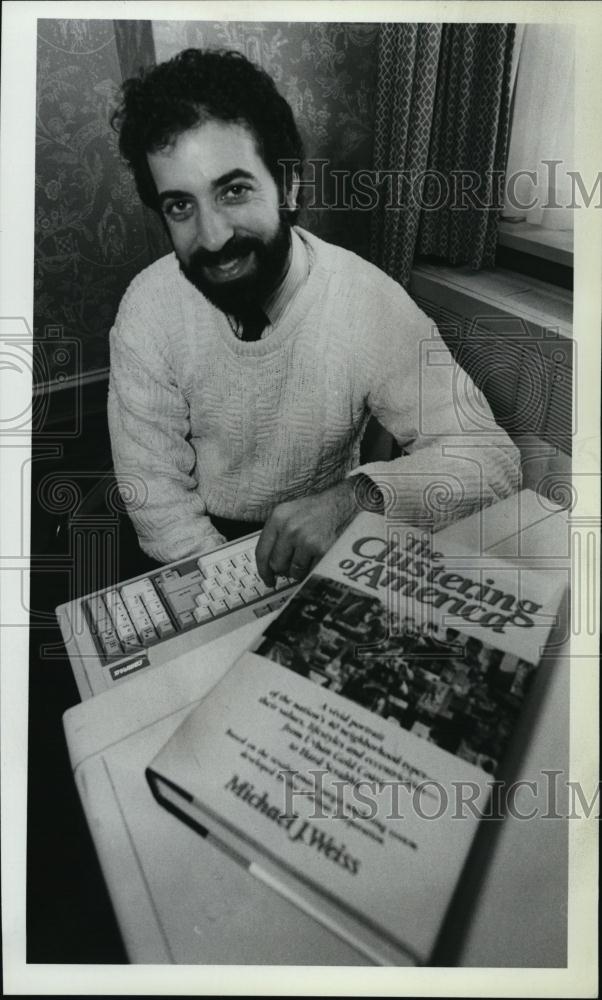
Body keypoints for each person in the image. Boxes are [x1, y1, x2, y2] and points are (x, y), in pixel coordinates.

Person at [108, 48, 521, 585]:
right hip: (197, 547)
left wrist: (358, 498)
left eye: (234, 190)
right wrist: (236, 588)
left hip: (331, 533)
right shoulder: (148, 305)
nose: (212, 237)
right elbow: (158, 501)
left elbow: (494, 459)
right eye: (180, 206)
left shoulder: (369, 301)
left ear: (290, 187)